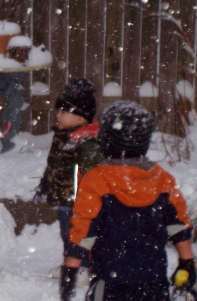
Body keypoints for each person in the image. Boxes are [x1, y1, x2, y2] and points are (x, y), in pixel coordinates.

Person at [59, 100, 196, 301]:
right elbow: (178, 226)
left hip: (109, 281)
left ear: (105, 140)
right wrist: (187, 261)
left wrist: (70, 269)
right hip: (152, 282)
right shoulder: (162, 180)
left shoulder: (97, 181)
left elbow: (83, 229)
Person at [32, 77, 103, 287]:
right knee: (67, 233)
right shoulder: (62, 135)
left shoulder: (87, 142)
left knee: (82, 233)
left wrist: (89, 199)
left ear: (81, 118)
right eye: (58, 110)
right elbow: (55, 163)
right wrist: (46, 182)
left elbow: (92, 175)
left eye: (64, 111)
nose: (58, 115)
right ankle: (71, 263)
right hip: (65, 199)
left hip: (80, 202)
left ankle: (85, 267)